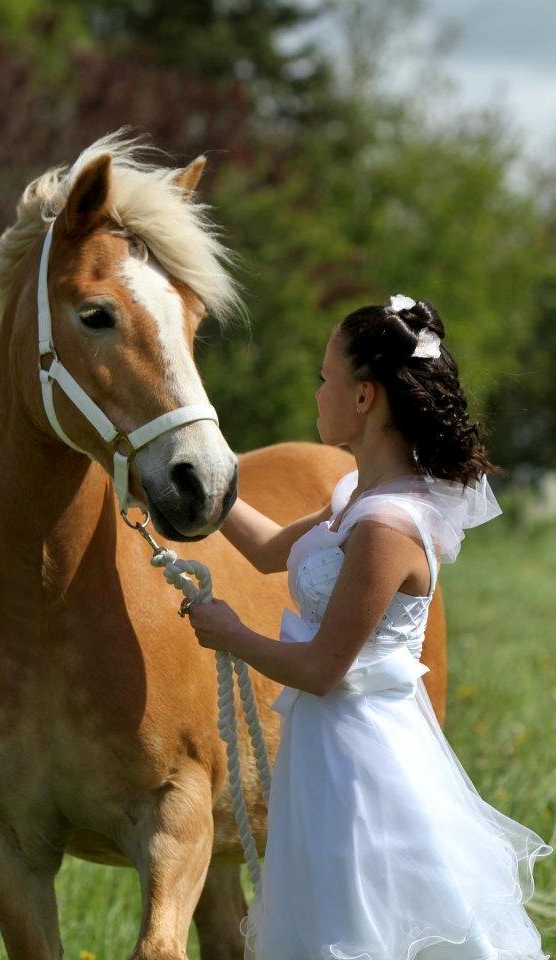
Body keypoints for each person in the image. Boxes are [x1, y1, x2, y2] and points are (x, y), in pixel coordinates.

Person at [188, 295, 553, 960]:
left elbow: (323, 669)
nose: (318, 393)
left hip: (362, 767)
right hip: (325, 752)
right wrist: (200, 493)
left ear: (362, 397)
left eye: (325, 379)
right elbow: (271, 551)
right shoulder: (354, 498)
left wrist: (229, 633)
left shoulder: (386, 527)